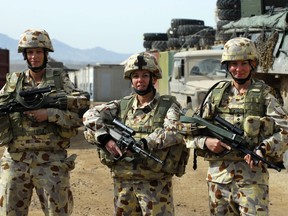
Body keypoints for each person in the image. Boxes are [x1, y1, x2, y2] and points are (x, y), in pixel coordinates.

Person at [185, 37, 288, 215]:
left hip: (252, 179)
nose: (238, 69)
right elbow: (190, 129)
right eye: (233, 64)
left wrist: (263, 149)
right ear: (227, 66)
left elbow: (285, 131)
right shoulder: (217, 94)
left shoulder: (265, 95)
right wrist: (206, 142)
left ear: (252, 64)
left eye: (243, 64)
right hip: (219, 179)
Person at [83, 51, 189, 216]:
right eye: (136, 76)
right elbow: (89, 115)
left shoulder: (168, 106)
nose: (140, 80)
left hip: (155, 185)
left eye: (145, 75)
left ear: (154, 78)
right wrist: (105, 138)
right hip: (124, 183)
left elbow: (175, 131)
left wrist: (146, 143)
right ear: (131, 80)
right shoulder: (121, 106)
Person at [0, 28, 89, 216]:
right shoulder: (13, 82)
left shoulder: (59, 81)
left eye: (39, 52)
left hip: (51, 160)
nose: (34, 57)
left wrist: (50, 114)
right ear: (25, 55)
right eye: (30, 52)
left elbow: (78, 115)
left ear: (46, 53)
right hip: (16, 160)